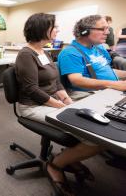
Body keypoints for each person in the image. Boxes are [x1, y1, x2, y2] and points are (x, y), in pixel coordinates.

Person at [16, 13, 103, 196]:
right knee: (93, 137)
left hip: (50, 103)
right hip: (32, 107)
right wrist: (60, 106)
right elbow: (32, 89)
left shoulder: (44, 51)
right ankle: (56, 165)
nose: (57, 30)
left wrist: (67, 101)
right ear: (42, 28)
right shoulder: (26, 54)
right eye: (54, 27)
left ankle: (66, 159)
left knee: (91, 127)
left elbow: (56, 83)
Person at [58, 15, 126, 92]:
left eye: (107, 28)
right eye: (103, 29)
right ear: (85, 32)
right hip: (90, 96)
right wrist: (114, 84)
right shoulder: (70, 53)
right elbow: (76, 80)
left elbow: (105, 71)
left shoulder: (99, 48)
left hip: (109, 91)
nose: (107, 32)